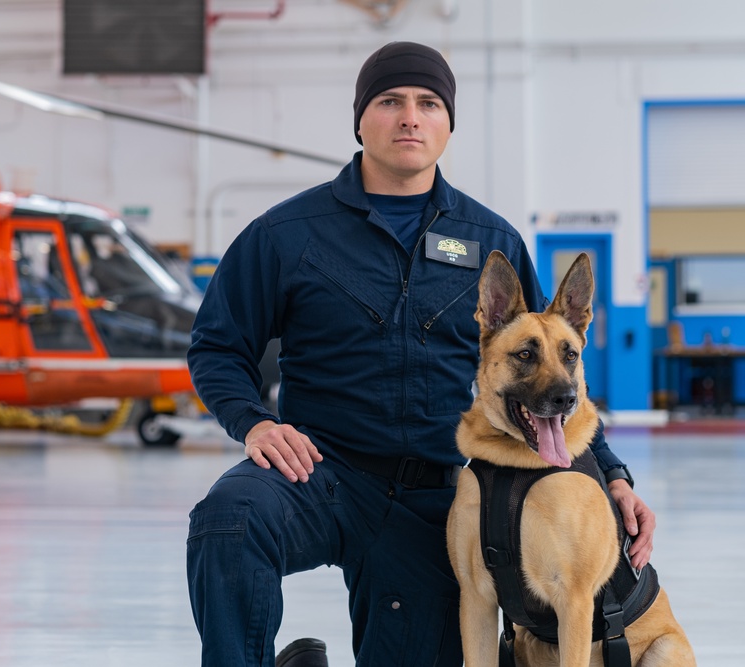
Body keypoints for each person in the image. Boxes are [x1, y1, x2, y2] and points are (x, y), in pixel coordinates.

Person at [185, 41, 655, 667]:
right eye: (390, 101)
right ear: (360, 120)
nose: (410, 116)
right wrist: (255, 421)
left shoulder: (491, 241)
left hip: (435, 500)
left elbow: (550, 370)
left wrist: (613, 477)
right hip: (319, 474)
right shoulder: (286, 235)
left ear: (447, 125)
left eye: (429, 103)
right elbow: (217, 345)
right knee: (230, 518)